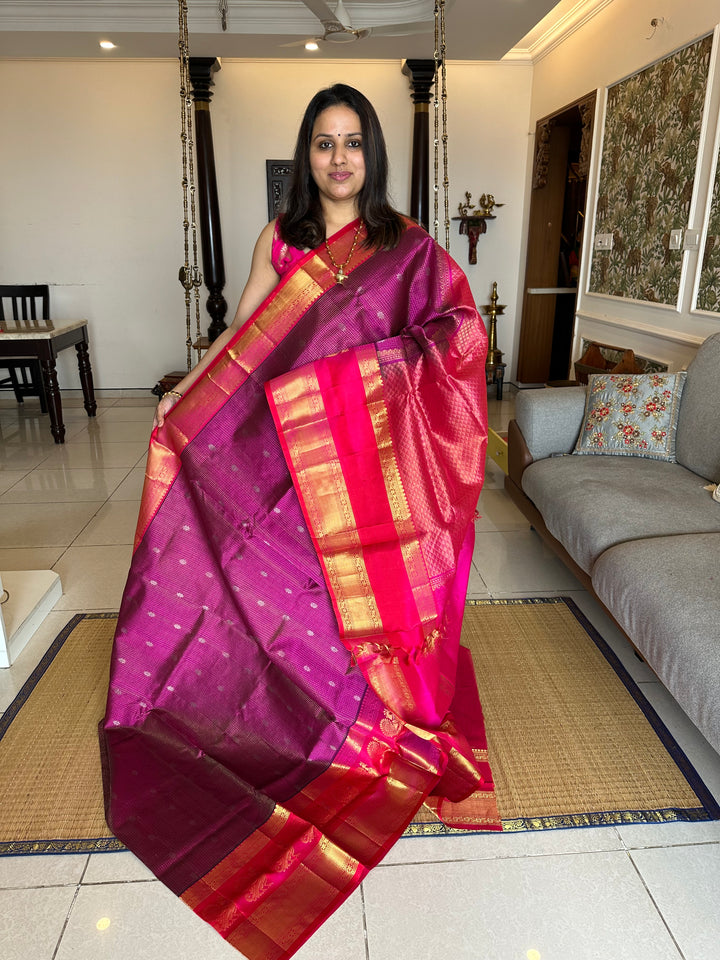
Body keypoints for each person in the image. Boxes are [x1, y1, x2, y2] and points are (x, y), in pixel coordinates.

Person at [101, 83, 499, 960]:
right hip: (268, 457)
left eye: (354, 142)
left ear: (374, 155)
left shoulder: (407, 247)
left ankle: (353, 722)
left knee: (337, 600)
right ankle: (283, 718)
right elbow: (244, 327)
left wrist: (356, 385)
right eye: (324, 143)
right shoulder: (281, 241)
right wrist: (183, 393)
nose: (340, 158)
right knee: (269, 600)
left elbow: (462, 335)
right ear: (305, 154)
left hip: (353, 471)